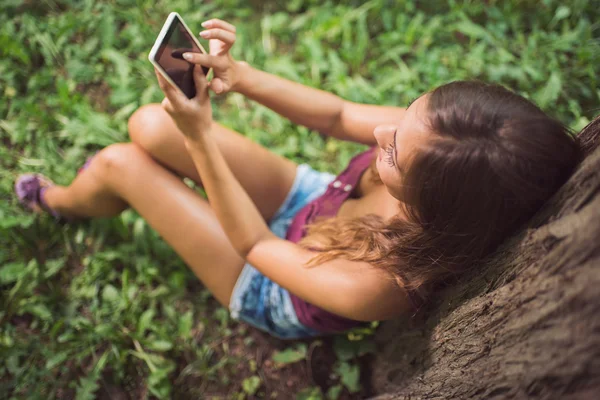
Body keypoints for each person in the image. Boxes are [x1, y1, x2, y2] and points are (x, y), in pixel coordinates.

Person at [15, 19, 581, 339]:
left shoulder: (378, 285)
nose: (381, 128)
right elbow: (335, 115)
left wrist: (201, 138)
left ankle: (60, 203)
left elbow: (255, 244)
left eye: (393, 152)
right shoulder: (434, 145)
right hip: (313, 201)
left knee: (121, 162)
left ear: (434, 200)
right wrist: (243, 76)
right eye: (405, 113)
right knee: (148, 124)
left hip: (272, 276)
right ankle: (112, 191)